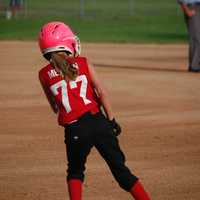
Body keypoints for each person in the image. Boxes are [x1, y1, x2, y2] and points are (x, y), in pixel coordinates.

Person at [38, 21, 151, 200]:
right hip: (98, 122)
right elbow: (101, 92)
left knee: (75, 172)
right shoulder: (83, 62)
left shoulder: (43, 74)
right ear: (67, 43)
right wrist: (112, 120)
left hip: (75, 129)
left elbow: (54, 107)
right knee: (121, 171)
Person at [178, 0, 200, 72]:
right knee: (196, 37)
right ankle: (194, 65)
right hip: (191, 7)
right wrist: (186, 10)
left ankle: (195, 64)